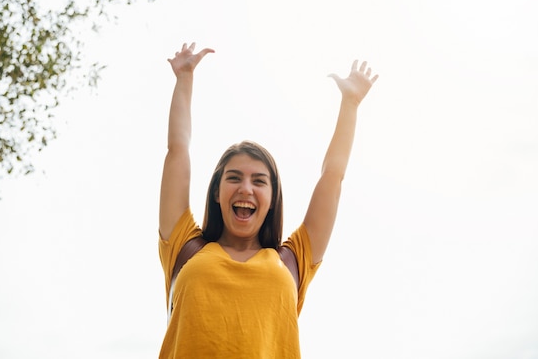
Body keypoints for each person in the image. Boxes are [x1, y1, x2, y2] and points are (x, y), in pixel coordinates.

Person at [158, 42, 379, 358]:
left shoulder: (292, 260)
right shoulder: (184, 246)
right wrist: (184, 79)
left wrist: (351, 103)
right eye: (234, 178)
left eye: (259, 181)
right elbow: (177, 152)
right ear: (217, 193)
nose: (246, 188)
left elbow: (332, 178)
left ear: (273, 199)